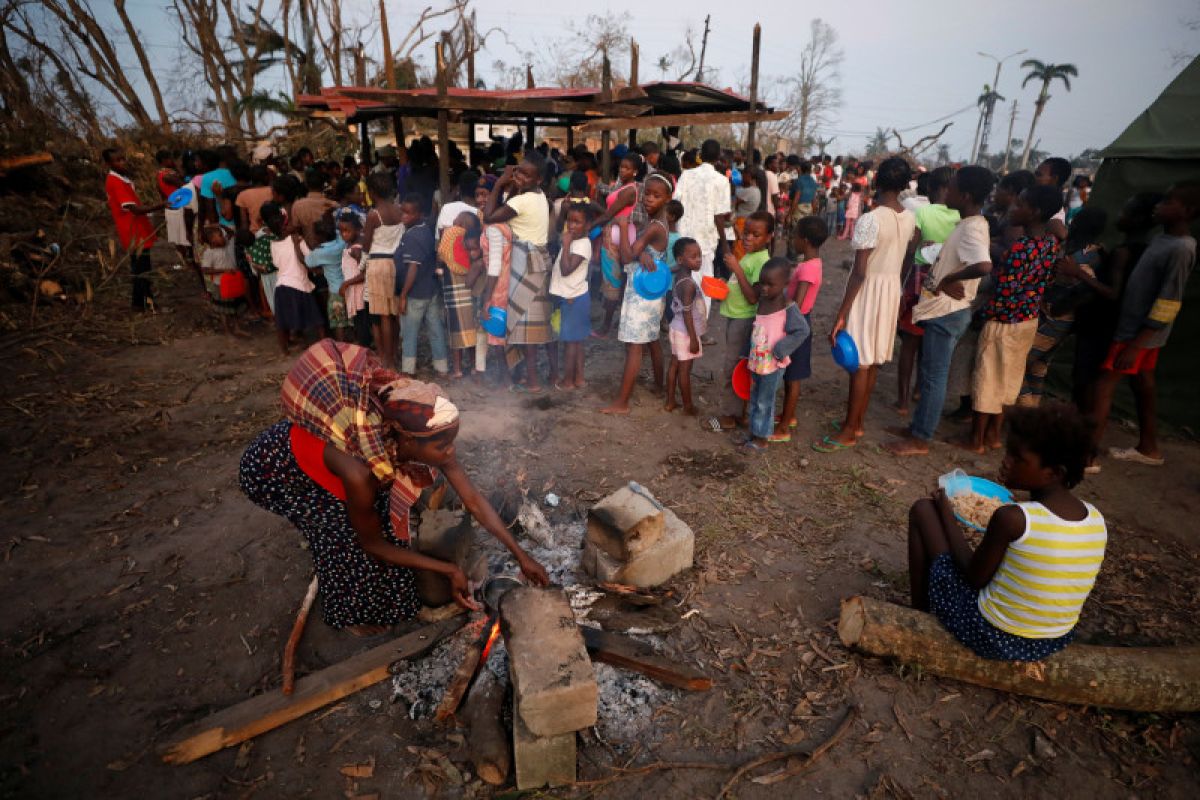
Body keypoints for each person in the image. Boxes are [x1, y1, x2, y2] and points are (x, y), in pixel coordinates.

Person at [239, 341, 550, 636]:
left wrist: (521, 555)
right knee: (341, 538)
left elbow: (473, 499)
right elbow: (372, 543)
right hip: (279, 471)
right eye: (442, 446)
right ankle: (350, 616)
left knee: (381, 521)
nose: (450, 452)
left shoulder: (401, 438)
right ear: (409, 441)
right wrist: (448, 569)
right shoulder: (359, 472)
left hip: (329, 456)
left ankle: (386, 599)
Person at [906, 403, 1106, 661]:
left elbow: (972, 577)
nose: (1006, 461)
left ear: (1054, 473)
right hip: (1054, 639)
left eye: (1017, 458)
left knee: (923, 510)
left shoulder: (1013, 518)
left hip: (994, 636)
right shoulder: (1095, 518)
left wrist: (945, 512)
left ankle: (917, 618)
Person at [882, 166, 994, 456]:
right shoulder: (967, 223)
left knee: (933, 376)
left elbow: (984, 265)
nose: (947, 191)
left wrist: (950, 279)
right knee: (931, 372)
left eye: (953, 187)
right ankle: (917, 429)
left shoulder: (972, 228)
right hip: (942, 308)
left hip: (949, 311)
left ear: (966, 195)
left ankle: (920, 438)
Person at [1088, 182, 1199, 469]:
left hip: (1139, 333)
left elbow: (1170, 301)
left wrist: (1137, 343)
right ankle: (1149, 447)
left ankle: (1085, 457)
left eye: (1169, 202)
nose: (1158, 207)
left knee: (1103, 386)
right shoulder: (1162, 240)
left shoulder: (1182, 248)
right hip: (1143, 332)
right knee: (1143, 385)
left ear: (1187, 211)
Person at [818, 158, 916, 451]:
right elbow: (907, 258)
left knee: (860, 362)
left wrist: (841, 313)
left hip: (869, 290)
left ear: (877, 182)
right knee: (871, 360)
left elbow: (859, 272)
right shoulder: (908, 217)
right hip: (890, 289)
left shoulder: (871, 219)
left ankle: (849, 429)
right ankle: (857, 422)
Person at [963, 184, 1063, 453]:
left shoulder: (1022, 248)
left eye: (1021, 205)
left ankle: (976, 439)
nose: (1014, 209)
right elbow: (1047, 280)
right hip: (1028, 320)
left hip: (1003, 321)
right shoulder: (1050, 244)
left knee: (987, 379)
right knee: (1010, 380)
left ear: (1035, 212)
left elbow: (1004, 292)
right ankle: (995, 436)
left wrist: (981, 315)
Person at [1071, 193, 1162, 408]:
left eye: (1125, 212)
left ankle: (1080, 427)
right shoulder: (1147, 250)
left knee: (1086, 379)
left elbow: (1113, 293)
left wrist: (1079, 274)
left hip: (1101, 323)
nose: (1119, 216)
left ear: (1137, 219)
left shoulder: (1123, 253)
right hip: (1114, 324)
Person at [1016, 207, 1108, 407]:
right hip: (1055, 316)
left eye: (1075, 222)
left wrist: (1057, 310)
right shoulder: (1085, 249)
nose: (1071, 225)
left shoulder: (1083, 256)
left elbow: (1085, 292)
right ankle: (1032, 410)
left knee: (1016, 362)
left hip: (1054, 318)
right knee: (1037, 367)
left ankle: (1026, 411)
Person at [600, 174, 674, 414]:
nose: (649, 199)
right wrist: (641, 253)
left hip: (642, 295)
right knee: (652, 340)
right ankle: (659, 387)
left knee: (634, 346)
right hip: (651, 294)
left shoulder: (653, 227)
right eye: (647, 194)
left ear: (668, 198)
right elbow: (639, 252)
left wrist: (622, 227)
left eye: (657, 195)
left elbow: (626, 256)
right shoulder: (658, 223)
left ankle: (622, 403)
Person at [483, 160, 556, 392]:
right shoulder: (539, 195)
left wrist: (499, 185)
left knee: (526, 325)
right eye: (518, 173)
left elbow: (489, 216)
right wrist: (513, 185)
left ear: (538, 180)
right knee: (528, 323)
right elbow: (510, 203)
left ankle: (533, 380)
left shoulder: (521, 201)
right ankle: (531, 376)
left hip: (525, 262)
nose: (520, 178)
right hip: (537, 261)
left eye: (526, 175)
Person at [702, 211, 774, 433]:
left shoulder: (762, 261)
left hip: (744, 320)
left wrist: (737, 270)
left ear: (769, 237)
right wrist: (727, 282)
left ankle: (729, 416)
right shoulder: (750, 255)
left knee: (731, 367)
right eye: (746, 233)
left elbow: (753, 296)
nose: (748, 238)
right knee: (740, 365)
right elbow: (739, 281)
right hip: (735, 316)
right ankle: (739, 413)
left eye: (756, 235)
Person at [896, 167, 960, 416]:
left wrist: (899, 282)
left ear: (933, 188)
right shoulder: (961, 217)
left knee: (909, 344)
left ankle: (901, 400)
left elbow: (911, 249)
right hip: (948, 282)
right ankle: (919, 391)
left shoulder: (923, 212)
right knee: (929, 343)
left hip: (920, 281)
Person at [741, 258, 810, 451]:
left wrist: (781, 349)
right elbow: (757, 328)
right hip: (757, 362)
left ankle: (762, 439)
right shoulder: (763, 302)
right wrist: (746, 353)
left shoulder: (788, 307)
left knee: (765, 401)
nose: (764, 288)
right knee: (755, 397)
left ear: (785, 284)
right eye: (762, 283)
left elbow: (802, 331)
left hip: (772, 366)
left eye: (770, 284)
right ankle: (754, 432)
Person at [773, 216, 827, 441]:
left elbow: (797, 302)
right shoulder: (814, 264)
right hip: (801, 321)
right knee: (790, 374)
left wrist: (779, 300)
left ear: (804, 240)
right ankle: (789, 415)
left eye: (794, 236)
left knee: (793, 376)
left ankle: (784, 427)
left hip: (797, 324)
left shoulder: (806, 269)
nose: (792, 240)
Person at [674, 139, 732, 319]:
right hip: (705, 241)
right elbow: (719, 216)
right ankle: (700, 326)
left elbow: (675, 204)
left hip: (684, 237)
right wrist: (725, 244)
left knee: (683, 278)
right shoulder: (722, 181)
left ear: (700, 155)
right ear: (718, 157)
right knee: (705, 283)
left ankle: (681, 321)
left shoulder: (686, 175)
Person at [103, 148, 164, 311]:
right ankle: (145, 303)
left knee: (141, 268)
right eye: (117, 160)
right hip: (133, 232)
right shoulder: (115, 181)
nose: (122, 162)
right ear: (109, 163)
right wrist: (161, 205)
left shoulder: (121, 179)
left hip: (136, 230)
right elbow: (134, 209)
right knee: (142, 269)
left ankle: (139, 303)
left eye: (123, 159)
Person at [395, 193, 449, 376]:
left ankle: (408, 370)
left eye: (408, 213)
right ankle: (442, 367)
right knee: (435, 329)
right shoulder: (425, 229)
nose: (404, 216)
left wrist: (402, 295)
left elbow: (412, 269)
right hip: (431, 290)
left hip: (415, 293)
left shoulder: (412, 237)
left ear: (419, 214)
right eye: (402, 212)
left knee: (410, 332)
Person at [362, 172, 406, 369]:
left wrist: (361, 265)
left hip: (378, 265)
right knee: (395, 313)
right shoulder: (400, 211)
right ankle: (395, 354)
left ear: (371, 192)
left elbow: (366, 245)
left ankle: (387, 361)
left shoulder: (373, 215)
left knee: (383, 315)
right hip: (396, 264)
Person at [270, 207, 327, 355]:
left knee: (282, 322)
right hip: (298, 284)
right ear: (284, 226)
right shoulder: (297, 240)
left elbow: (276, 263)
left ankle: (284, 350)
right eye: (289, 223)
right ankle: (325, 345)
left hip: (281, 285)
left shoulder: (273, 244)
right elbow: (309, 259)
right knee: (317, 319)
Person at [549, 204, 593, 390]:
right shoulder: (575, 241)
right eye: (570, 220)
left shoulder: (581, 244)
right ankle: (579, 379)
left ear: (587, 225)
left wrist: (565, 245)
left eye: (578, 222)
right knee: (577, 341)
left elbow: (566, 270)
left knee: (570, 344)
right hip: (575, 297)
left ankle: (568, 381)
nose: (572, 226)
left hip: (573, 298)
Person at [437, 211, 483, 378]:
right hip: (466, 291)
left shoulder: (452, 235)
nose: (454, 221)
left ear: (463, 223)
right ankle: (473, 366)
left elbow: (441, 256)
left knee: (457, 330)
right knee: (470, 330)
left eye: (458, 219)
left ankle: (458, 369)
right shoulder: (470, 244)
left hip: (453, 288)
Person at [664, 237, 705, 415]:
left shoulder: (680, 275)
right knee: (685, 370)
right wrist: (694, 339)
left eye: (700, 255)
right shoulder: (688, 284)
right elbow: (688, 313)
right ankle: (688, 405)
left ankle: (670, 401)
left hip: (676, 327)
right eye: (693, 256)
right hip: (685, 331)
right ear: (681, 260)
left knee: (674, 365)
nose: (699, 259)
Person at [305, 217, 351, 342]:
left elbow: (307, 262)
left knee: (338, 322)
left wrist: (297, 247)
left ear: (320, 237)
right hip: (350, 286)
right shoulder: (341, 242)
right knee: (353, 318)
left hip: (336, 291)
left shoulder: (320, 252)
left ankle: (341, 347)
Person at [198, 224, 249, 337]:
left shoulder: (224, 244)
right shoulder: (209, 253)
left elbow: (231, 233)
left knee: (234, 306)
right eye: (220, 235)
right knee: (224, 310)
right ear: (212, 240)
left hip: (231, 281)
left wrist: (221, 225)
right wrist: (223, 271)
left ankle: (237, 328)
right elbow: (205, 270)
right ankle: (227, 330)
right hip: (220, 284)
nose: (223, 237)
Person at [335, 212, 372, 346]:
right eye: (341, 231)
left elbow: (364, 274)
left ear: (358, 229)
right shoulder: (351, 245)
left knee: (362, 323)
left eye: (347, 231)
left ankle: (365, 348)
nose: (344, 234)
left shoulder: (356, 249)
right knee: (362, 322)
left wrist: (346, 284)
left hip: (359, 292)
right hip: (356, 291)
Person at [247, 201, 283, 314]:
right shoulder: (282, 234)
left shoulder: (258, 235)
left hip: (267, 276)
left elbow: (253, 258)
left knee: (275, 303)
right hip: (282, 274)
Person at [291, 170, 337, 249]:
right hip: (333, 249)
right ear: (323, 185)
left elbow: (296, 230)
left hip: (309, 250)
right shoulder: (333, 205)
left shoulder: (297, 205)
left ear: (306, 185)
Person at [1034, 157, 1072, 242]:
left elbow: (1062, 234)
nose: (1034, 177)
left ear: (1054, 179)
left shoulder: (1051, 204)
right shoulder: (1040, 198)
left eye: (1039, 174)